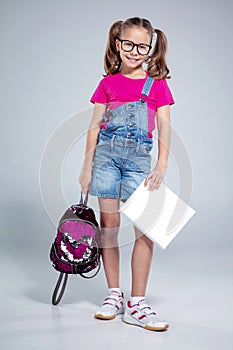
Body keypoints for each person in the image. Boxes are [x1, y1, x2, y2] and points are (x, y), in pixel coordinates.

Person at [78, 17, 175, 331]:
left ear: (150, 49)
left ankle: (137, 303)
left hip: (137, 163)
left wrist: (161, 164)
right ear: (117, 44)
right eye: (129, 44)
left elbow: (164, 127)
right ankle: (113, 293)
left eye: (142, 46)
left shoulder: (156, 84)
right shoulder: (107, 83)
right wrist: (85, 167)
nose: (135, 51)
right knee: (109, 225)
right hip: (106, 160)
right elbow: (94, 127)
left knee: (145, 228)